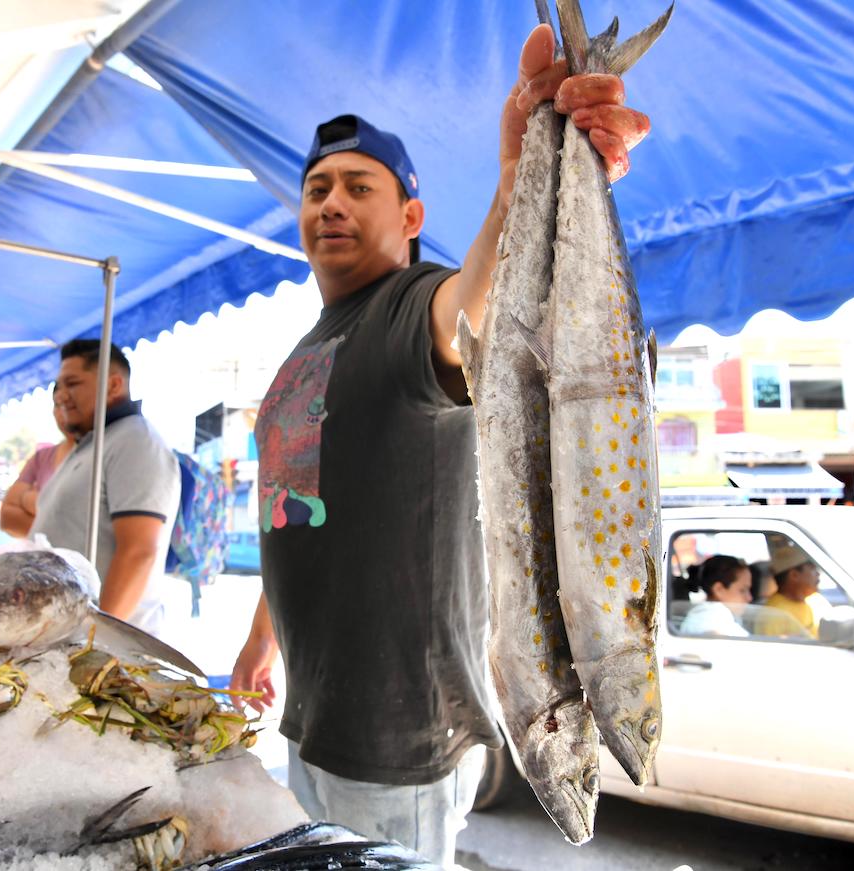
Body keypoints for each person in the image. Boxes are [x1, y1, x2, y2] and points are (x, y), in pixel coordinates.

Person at [228, 24, 653, 865]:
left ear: (411, 216)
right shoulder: (305, 350)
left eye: (358, 186)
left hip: (400, 744)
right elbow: (298, 508)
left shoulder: (404, 306)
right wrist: (259, 639)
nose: (331, 203)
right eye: (316, 188)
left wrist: (513, 188)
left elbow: (467, 309)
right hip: (309, 722)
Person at [30, 339, 179, 635]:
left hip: (102, 647)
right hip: (60, 638)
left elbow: (139, 551)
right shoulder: (91, 445)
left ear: (113, 385)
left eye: (72, 384)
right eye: (58, 387)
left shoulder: (135, 441)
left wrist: (95, 638)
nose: (61, 396)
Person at [0, 386, 76, 537]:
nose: (63, 412)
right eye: (57, 404)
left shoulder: (105, 454)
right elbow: (7, 518)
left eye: (70, 405)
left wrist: (27, 499)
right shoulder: (41, 458)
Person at [754, 544, 821, 639]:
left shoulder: (816, 600)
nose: (818, 573)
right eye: (812, 568)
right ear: (794, 575)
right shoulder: (773, 614)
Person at [679, 555, 752, 637]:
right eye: (742, 590)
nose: (749, 598)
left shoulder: (711, 616)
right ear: (719, 589)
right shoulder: (712, 619)